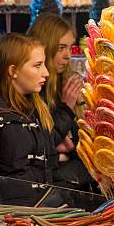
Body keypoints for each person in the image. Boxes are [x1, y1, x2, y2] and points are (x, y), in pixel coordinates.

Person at [0, 34, 57, 207]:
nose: (46, 72)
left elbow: (50, 166)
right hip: (9, 217)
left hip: (40, 212)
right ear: (13, 71)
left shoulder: (35, 106)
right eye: (37, 65)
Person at [27, 14, 91, 191]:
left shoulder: (67, 83)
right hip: (48, 186)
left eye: (70, 47)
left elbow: (77, 143)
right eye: (61, 47)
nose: (68, 55)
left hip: (76, 181)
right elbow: (42, 145)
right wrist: (67, 107)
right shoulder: (31, 90)